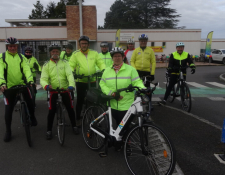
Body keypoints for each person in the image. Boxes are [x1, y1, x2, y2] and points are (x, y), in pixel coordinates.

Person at [0, 37, 37, 142]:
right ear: (7, 47)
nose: (12, 48)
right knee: (8, 109)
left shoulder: (21, 57)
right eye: (10, 46)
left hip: (22, 84)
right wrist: (2, 83)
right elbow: (0, 72)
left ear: (17, 46)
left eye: (14, 46)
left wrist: (30, 80)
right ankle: (8, 131)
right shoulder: (2, 57)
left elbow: (26, 69)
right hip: (9, 87)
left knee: (30, 101)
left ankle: (33, 117)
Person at [40, 44, 79, 140]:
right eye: (53, 52)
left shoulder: (65, 63)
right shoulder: (46, 65)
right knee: (51, 111)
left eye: (57, 52)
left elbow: (70, 75)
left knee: (70, 108)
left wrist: (71, 85)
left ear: (60, 52)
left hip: (65, 89)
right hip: (52, 90)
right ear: (50, 53)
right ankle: (49, 130)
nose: (55, 53)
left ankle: (74, 126)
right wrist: (46, 86)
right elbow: (43, 78)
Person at [100, 47, 145, 127]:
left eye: (119, 56)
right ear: (112, 58)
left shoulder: (131, 69)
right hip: (112, 104)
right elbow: (102, 84)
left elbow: (137, 82)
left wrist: (143, 89)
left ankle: (125, 139)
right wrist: (112, 93)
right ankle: (119, 138)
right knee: (118, 125)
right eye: (115, 56)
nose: (117, 58)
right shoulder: (107, 71)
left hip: (126, 105)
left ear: (123, 57)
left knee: (124, 126)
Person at [69, 35, 105, 125]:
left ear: (88, 44)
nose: (84, 45)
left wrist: (103, 70)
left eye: (85, 43)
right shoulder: (75, 54)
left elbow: (100, 63)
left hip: (92, 80)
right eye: (82, 43)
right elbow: (71, 65)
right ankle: (78, 116)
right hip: (81, 81)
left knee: (93, 99)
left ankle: (93, 115)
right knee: (80, 99)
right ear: (79, 45)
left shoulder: (94, 53)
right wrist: (73, 73)